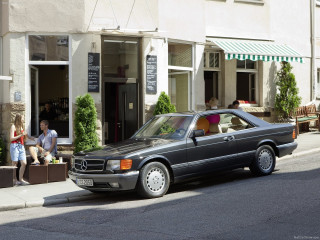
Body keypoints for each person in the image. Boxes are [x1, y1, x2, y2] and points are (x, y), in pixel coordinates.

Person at [10, 114, 34, 185]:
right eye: (23, 118)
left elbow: (25, 134)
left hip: (21, 146)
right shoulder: (13, 126)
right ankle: (14, 180)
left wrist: (30, 138)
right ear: (19, 118)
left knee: (24, 163)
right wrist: (21, 135)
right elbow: (11, 138)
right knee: (15, 163)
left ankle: (21, 179)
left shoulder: (22, 126)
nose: (23, 119)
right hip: (15, 145)